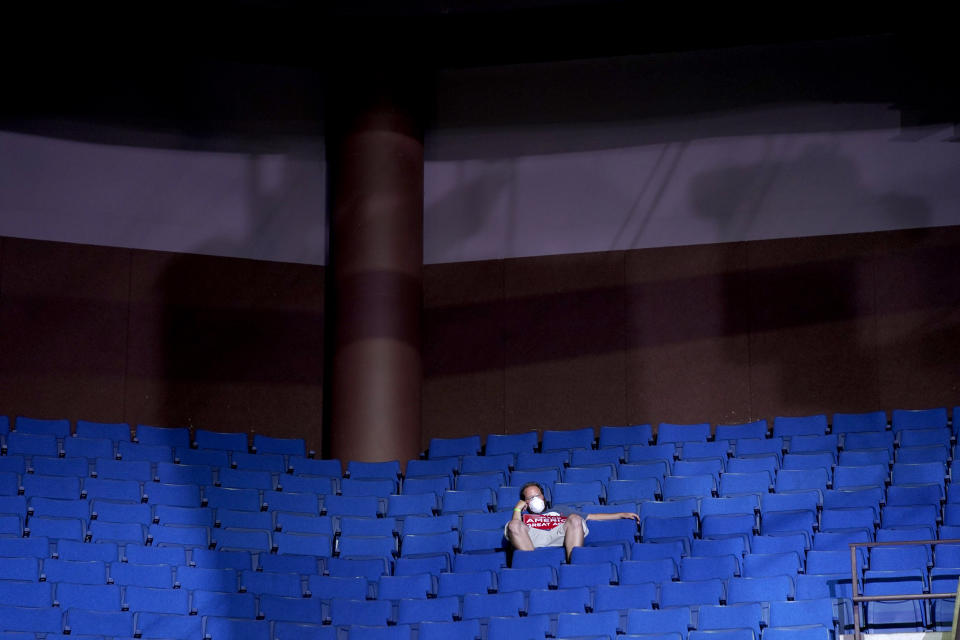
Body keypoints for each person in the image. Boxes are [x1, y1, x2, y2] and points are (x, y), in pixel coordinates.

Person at [505, 481, 640, 561]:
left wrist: (620, 514)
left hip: (559, 535)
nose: (535, 499)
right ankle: (532, 564)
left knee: (575, 518)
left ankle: (574, 563)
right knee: (513, 524)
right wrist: (517, 510)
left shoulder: (559, 509)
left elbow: (593, 517)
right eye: (530, 497)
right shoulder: (523, 519)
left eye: (537, 495)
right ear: (525, 502)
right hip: (532, 537)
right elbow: (514, 528)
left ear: (543, 496)